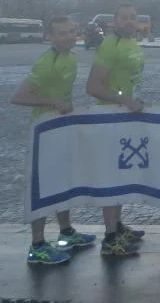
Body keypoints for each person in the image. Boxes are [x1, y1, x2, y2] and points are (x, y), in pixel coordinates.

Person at [12, 16, 97, 265]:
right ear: (51, 37)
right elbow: (18, 97)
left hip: (60, 131)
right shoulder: (46, 63)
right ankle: (37, 245)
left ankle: (66, 232)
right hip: (44, 134)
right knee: (42, 188)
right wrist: (53, 103)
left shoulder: (70, 58)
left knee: (61, 183)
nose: (69, 36)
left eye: (72, 31)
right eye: (62, 33)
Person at [85, 2, 146, 257]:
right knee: (111, 176)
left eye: (133, 17)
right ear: (114, 21)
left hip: (127, 117)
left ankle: (118, 226)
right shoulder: (110, 45)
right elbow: (93, 87)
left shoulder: (132, 43)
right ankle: (110, 238)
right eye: (124, 18)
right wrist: (124, 100)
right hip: (111, 117)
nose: (129, 22)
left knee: (121, 174)